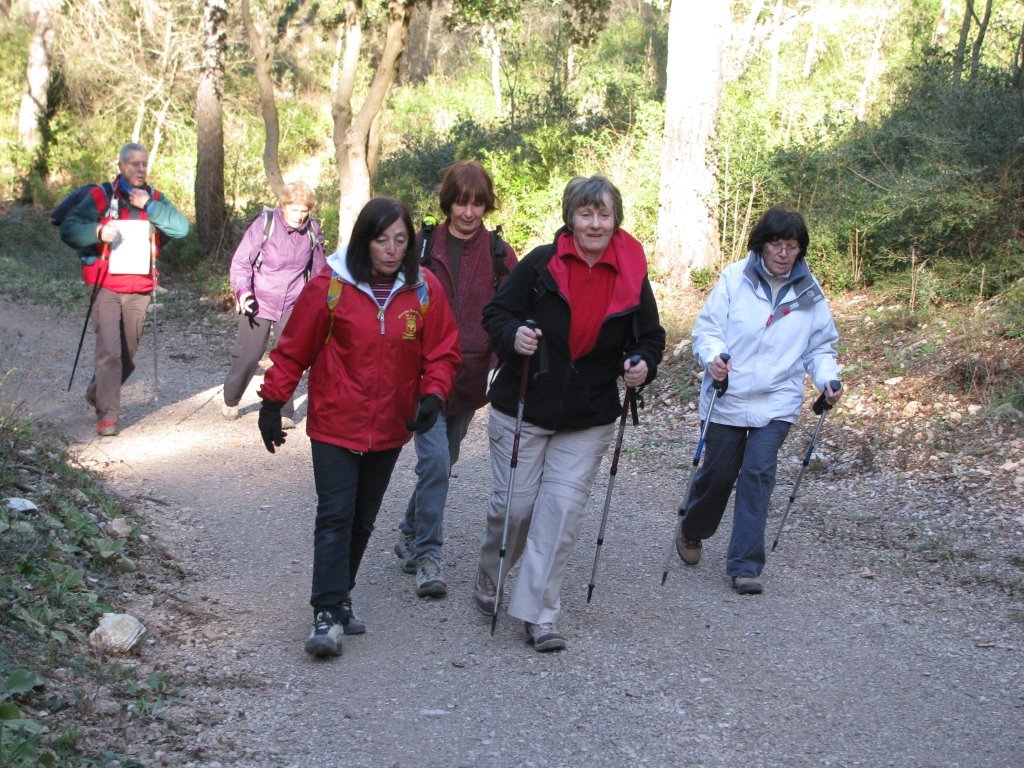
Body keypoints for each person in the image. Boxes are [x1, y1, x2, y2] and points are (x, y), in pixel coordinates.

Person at [258, 197, 460, 659]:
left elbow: (443, 352)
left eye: (400, 240)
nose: (390, 249)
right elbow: (294, 349)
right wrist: (273, 401)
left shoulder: (424, 290)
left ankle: (340, 597)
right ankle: (326, 613)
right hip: (334, 423)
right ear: (363, 240)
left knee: (363, 520)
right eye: (380, 239)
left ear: (411, 243)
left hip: (390, 425)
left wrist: (433, 396)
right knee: (335, 515)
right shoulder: (331, 285)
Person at [474, 175, 665, 652]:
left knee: (559, 513)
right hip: (525, 405)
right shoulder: (541, 264)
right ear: (570, 218)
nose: (595, 223)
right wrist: (514, 335)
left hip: (588, 414)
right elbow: (496, 314)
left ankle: (539, 614)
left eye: (603, 214)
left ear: (615, 218)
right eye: (586, 214)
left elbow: (650, 337)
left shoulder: (631, 271)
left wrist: (642, 363)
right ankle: (490, 574)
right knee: (515, 508)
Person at [674, 204, 842, 595]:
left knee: (758, 474)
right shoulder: (735, 278)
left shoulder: (809, 292)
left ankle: (745, 565)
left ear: (801, 250)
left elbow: (820, 348)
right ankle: (694, 529)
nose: (784, 253)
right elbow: (708, 330)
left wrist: (828, 379)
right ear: (762, 244)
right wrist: (714, 358)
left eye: (793, 245)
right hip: (727, 395)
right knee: (718, 474)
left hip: (777, 401)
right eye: (777, 244)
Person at [393, 161, 518, 599]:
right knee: (437, 464)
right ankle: (429, 556)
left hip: (470, 379)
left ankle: (409, 529)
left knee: (441, 465)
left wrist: (500, 362)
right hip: (423, 375)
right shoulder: (422, 244)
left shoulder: (502, 255)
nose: (469, 212)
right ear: (448, 201)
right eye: (462, 202)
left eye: (477, 203)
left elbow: (510, 315)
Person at [59, 143, 189, 436]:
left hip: (140, 287)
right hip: (105, 284)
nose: (140, 169)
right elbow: (68, 228)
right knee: (109, 350)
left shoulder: (154, 198)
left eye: (144, 164)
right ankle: (108, 416)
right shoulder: (101, 195)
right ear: (121, 165)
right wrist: (96, 231)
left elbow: (181, 229)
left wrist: (149, 207)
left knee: (127, 354)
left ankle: (98, 390)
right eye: (134, 164)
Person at [223, 182, 326, 427]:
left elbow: (320, 272)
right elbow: (241, 263)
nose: (299, 216)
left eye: (304, 211)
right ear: (283, 206)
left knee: (289, 356)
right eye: (294, 210)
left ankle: (283, 410)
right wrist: (242, 291)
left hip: (293, 302)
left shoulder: (312, 231)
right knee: (250, 355)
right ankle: (231, 398)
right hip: (258, 299)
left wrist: (321, 305)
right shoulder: (264, 225)